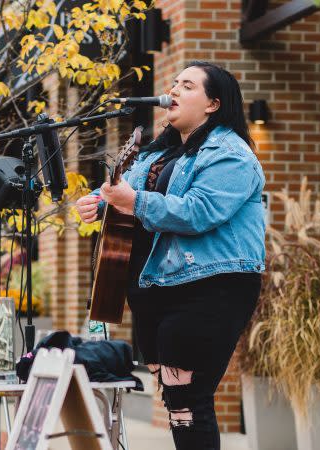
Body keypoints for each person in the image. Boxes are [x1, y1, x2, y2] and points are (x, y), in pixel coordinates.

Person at [76, 61, 266, 450]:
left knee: (189, 403)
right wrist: (97, 200)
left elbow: (198, 212)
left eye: (187, 86)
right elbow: (121, 189)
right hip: (155, 290)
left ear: (213, 103)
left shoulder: (231, 154)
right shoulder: (158, 152)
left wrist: (133, 201)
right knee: (177, 401)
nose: (174, 91)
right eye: (174, 83)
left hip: (208, 289)